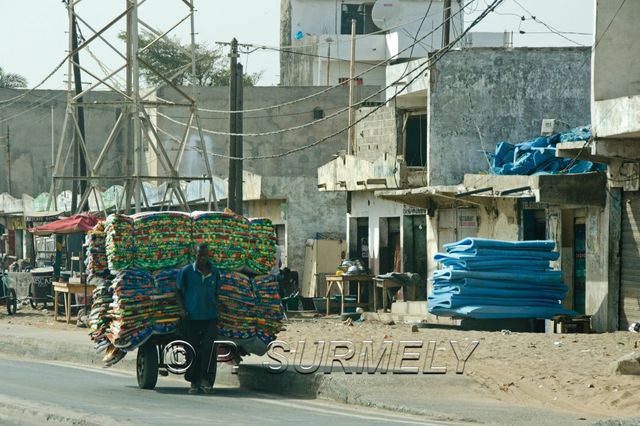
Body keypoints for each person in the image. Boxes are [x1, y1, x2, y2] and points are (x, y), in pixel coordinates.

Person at [176, 243, 220, 395]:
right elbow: (178, 292)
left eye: (204, 255)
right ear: (194, 255)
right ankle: (194, 382)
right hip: (191, 318)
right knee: (191, 349)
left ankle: (206, 381)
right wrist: (182, 310)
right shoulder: (187, 271)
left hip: (210, 317)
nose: (201, 258)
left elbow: (218, 293)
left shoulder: (215, 272)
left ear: (208, 255)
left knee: (209, 349)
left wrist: (219, 308)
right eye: (198, 255)